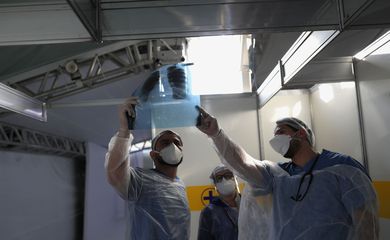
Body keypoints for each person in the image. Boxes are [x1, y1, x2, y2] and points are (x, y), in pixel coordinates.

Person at [195, 105, 379, 240]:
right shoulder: (278, 175)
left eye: (281, 132)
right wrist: (216, 134)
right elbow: (242, 163)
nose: (276, 139)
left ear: (300, 134)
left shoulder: (343, 167)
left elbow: (365, 223)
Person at [104, 97, 190, 240]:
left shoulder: (180, 185)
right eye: (165, 142)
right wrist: (124, 129)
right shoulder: (140, 180)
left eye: (176, 142)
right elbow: (114, 171)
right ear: (153, 155)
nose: (173, 146)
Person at [198, 165, 240, 240]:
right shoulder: (209, 212)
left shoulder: (248, 205)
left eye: (228, 175)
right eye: (219, 178)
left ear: (235, 178)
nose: (224, 180)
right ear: (215, 184)